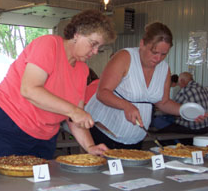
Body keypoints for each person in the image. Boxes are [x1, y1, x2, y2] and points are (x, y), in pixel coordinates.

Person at [0, 9, 117, 163]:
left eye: (99, 48)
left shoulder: (82, 70)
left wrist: (90, 146)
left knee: (36, 184)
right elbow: (30, 90)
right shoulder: (49, 44)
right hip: (7, 124)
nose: (95, 51)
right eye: (93, 44)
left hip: (43, 136)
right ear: (78, 34)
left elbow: (75, 118)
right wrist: (74, 111)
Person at [85, 22, 207, 150]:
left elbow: (163, 102)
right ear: (142, 44)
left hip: (136, 137)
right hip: (103, 131)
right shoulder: (124, 57)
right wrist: (126, 106)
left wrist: (185, 111)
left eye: (163, 54)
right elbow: (102, 92)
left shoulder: (164, 69)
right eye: (154, 52)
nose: (158, 58)